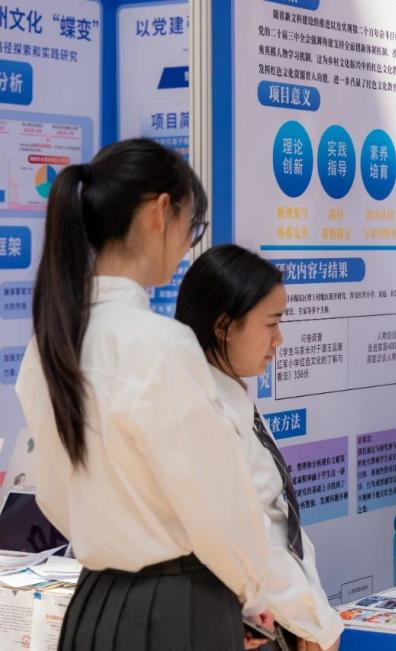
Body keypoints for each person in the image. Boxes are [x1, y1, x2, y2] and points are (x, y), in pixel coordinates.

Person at [15, 139, 278, 649]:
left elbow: (53, 496)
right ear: (161, 212)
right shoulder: (163, 345)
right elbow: (219, 511)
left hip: (92, 604)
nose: (187, 244)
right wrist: (254, 595)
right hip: (180, 607)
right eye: (191, 226)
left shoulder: (48, 345)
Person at [175, 245, 343, 651]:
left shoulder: (235, 400)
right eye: (271, 324)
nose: (278, 340)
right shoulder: (204, 413)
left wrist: (312, 615)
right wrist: (315, 622)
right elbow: (250, 539)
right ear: (224, 326)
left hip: (275, 618)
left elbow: (281, 524)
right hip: (246, 622)